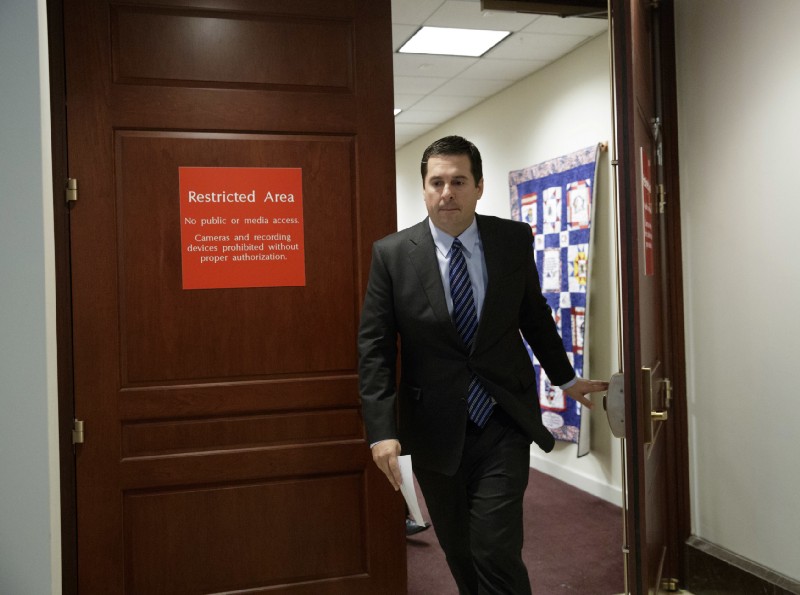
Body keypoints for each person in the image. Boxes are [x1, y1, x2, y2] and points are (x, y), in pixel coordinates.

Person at [358, 135, 608, 595]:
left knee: (494, 546)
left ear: (478, 187)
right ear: (425, 189)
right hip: (434, 428)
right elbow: (374, 348)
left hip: (501, 420)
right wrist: (381, 431)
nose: (447, 192)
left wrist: (565, 377)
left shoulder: (511, 240)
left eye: (458, 181)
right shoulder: (392, 255)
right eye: (437, 182)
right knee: (459, 550)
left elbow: (533, 315)